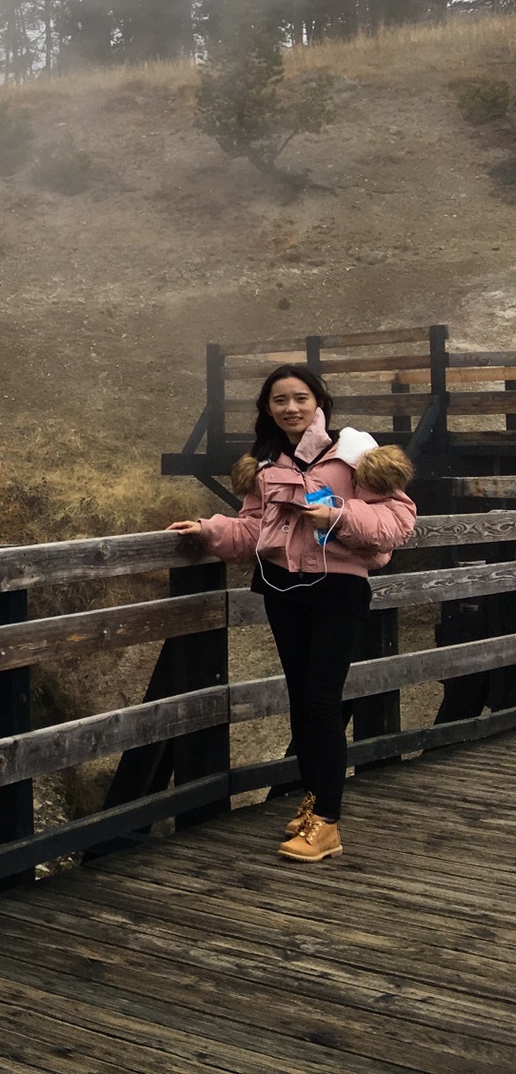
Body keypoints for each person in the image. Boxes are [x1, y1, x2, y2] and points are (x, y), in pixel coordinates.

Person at [167, 363, 415, 862]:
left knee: (321, 699)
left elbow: (398, 523)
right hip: (283, 588)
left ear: (319, 401)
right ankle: (313, 803)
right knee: (301, 700)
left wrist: (338, 515)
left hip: (338, 590)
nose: (291, 408)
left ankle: (327, 822)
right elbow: (253, 531)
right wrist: (208, 530)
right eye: (279, 400)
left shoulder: (356, 454)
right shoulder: (264, 465)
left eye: (300, 398)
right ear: (267, 409)